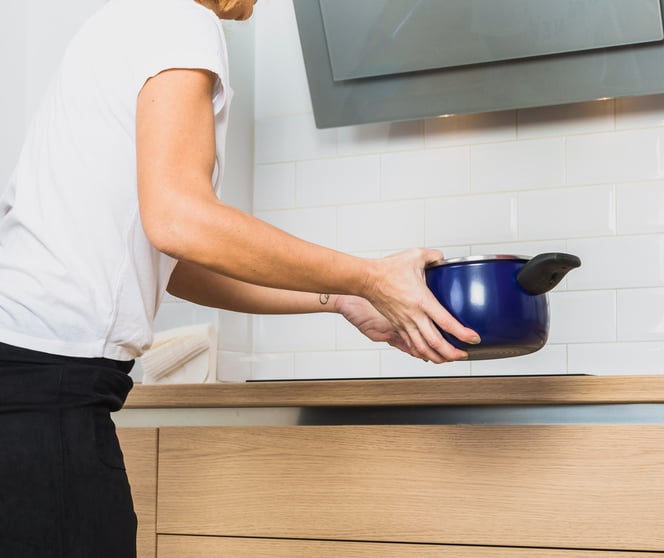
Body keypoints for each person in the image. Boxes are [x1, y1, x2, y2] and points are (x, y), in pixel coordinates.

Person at [0, 0, 480, 556]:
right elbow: (181, 222)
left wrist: (343, 296)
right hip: (46, 390)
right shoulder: (181, 20)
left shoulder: (121, 22)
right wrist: (372, 277)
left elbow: (175, 260)